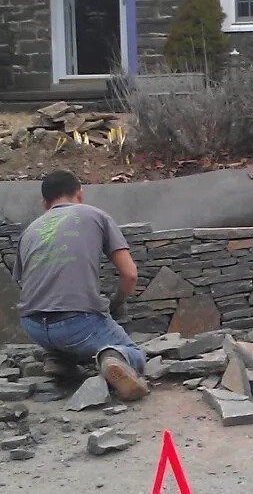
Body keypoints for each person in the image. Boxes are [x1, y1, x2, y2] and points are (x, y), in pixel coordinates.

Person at [13, 170, 150, 401]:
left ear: (45, 203)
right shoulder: (95, 215)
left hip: (33, 326)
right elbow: (130, 274)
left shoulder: (30, 230)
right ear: (80, 193)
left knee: (62, 329)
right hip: (77, 325)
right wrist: (115, 304)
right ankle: (111, 357)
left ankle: (58, 360)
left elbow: (24, 283)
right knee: (135, 353)